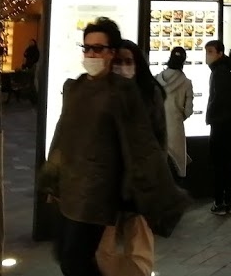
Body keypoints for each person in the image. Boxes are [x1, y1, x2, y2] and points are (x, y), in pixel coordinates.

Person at [39, 18, 185, 276]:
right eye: (87, 48)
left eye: (98, 48)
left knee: (75, 260)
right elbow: (63, 137)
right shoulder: (76, 87)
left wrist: (153, 191)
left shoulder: (123, 92)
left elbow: (142, 144)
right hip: (71, 189)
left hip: (97, 193)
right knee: (66, 256)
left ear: (111, 52)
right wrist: (53, 178)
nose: (91, 54)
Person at [97, 39, 167, 276]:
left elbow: (159, 139)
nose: (123, 66)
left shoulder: (150, 94)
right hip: (106, 182)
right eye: (118, 61)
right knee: (102, 248)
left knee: (139, 248)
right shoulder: (101, 93)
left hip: (139, 182)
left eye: (129, 61)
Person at [205, 40, 231, 217]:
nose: (207, 55)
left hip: (220, 124)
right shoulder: (226, 69)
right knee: (226, 164)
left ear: (220, 53)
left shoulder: (219, 72)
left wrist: (211, 115)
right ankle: (228, 201)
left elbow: (219, 98)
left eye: (210, 52)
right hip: (227, 123)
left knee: (219, 164)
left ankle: (219, 202)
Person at [156, 46, 194, 181]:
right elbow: (189, 110)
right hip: (176, 128)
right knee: (177, 164)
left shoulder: (157, 79)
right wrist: (179, 117)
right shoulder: (186, 83)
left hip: (159, 126)